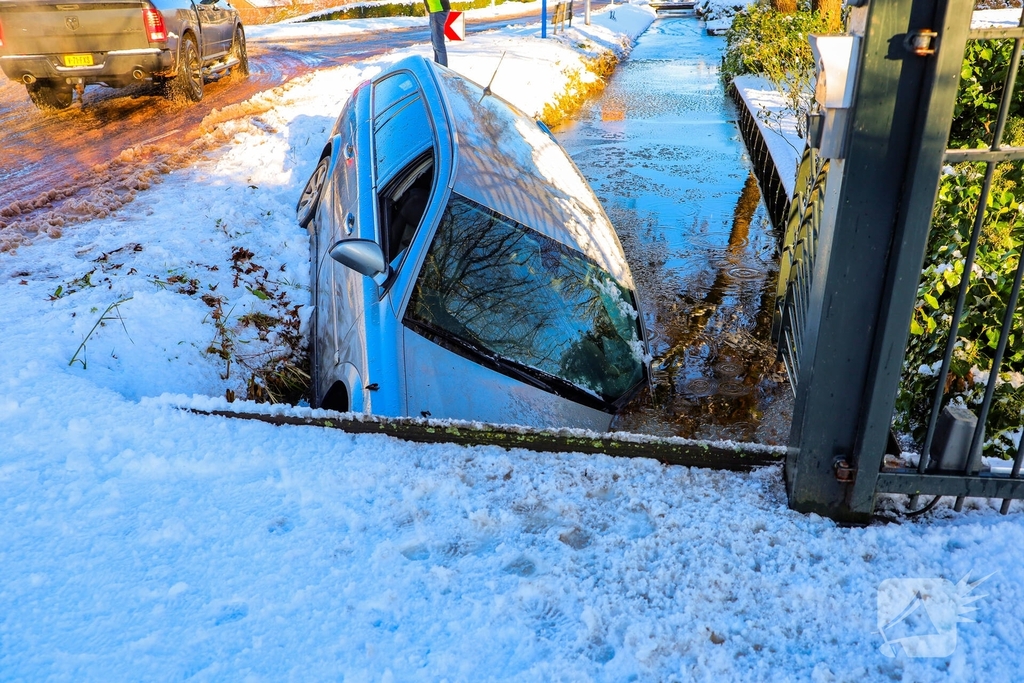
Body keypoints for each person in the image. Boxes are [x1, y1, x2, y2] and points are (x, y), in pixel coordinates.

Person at [423, 0, 451, 67]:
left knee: (438, 44)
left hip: (437, 10)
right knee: (436, 44)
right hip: (437, 10)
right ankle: (438, 68)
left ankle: (442, 70)